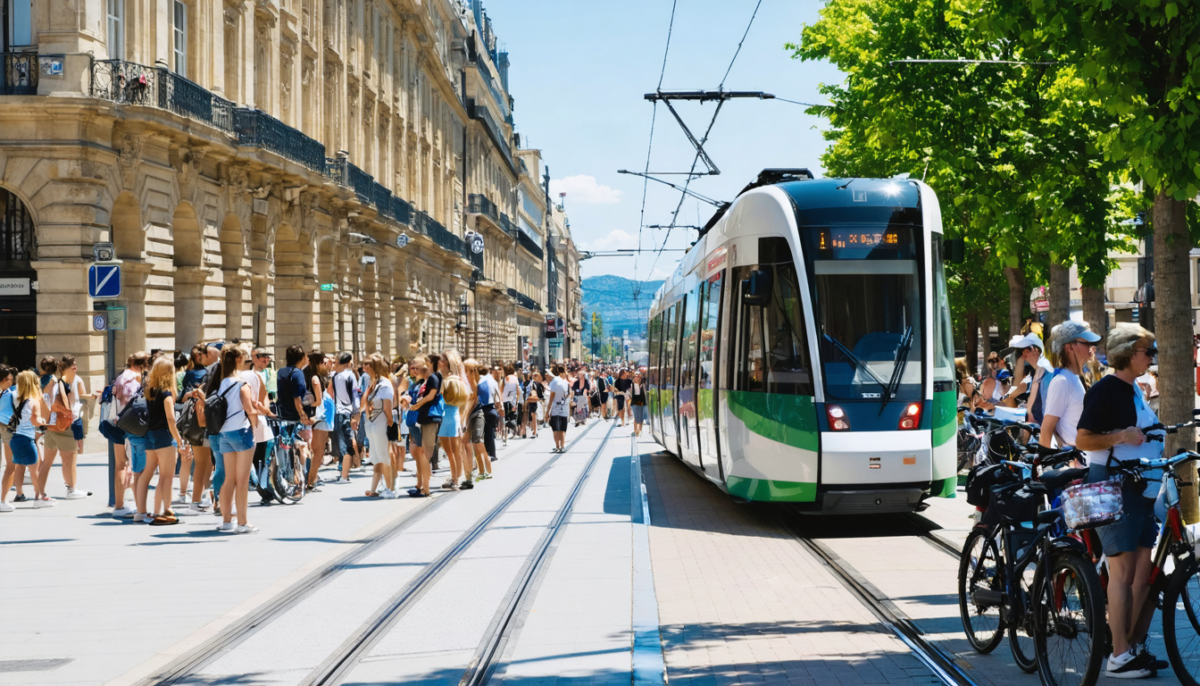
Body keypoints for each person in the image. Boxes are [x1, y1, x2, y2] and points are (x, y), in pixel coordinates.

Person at [1075, 323, 1167, 678]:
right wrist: (1122, 435)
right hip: (1116, 486)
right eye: (1148, 352)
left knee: (1141, 573)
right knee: (1123, 572)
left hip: (1140, 487)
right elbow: (1083, 439)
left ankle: (1131, 645)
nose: (1152, 358)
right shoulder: (1107, 390)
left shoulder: (1133, 390)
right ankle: (1118, 655)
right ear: (1129, 353)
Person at [211, 346, 258, 534]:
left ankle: (226, 520)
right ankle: (243, 522)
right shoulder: (241, 383)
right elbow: (250, 409)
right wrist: (255, 426)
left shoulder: (221, 383)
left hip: (223, 432)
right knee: (243, 480)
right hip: (240, 431)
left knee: (228, 479)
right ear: (239, 360)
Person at [138, 356, 185, 525]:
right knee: (167, 476)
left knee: (151, 473)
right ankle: (166, 510)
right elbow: (171, 420)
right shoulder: (167, 394)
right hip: (163, 435)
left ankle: (151, 511)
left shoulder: (150, 391)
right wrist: (179, 441)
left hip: (150, 435)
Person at [1039, 322, 1101, 452]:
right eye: (1086, 343)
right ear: (1070, 347)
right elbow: (1047, 428)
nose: (1091, 347)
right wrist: (1047, 462)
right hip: (1075, 461)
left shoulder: (1076, 378)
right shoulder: (1062, 381)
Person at [38, 355, 89, 501]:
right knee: (69, 460)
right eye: (73, 366)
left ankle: (39, 494)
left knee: (47, 463)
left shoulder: (45, 382)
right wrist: (69, 412)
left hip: (50, 426)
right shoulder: (59, 382)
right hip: (63, 427)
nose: (75, 368)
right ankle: (72, 490)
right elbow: (55, 404)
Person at [111, 352, 149, 518]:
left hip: (116, 423)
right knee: (135, 467)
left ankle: (119, 506)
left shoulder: (120, 377)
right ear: (142, 365)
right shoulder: (136, 379)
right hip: (131, 426)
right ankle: (139, 507)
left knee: (120, 464)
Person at [4, 371, 46, 507]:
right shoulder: (34, 402)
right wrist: (44, 421)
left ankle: (19, 494)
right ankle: (39, 496)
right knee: (35, 469)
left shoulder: (15, 399)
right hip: (27, 438)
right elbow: (36, 421)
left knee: (19, 466)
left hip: (14, 438)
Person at [361, 354, 397, 498]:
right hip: (372, 424)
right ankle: (375, 488)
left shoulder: (385, 384)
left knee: (383, 455)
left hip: (381, 422)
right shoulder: (374, 383)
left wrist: (390, 422)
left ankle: (391, 488)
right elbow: (364, 403)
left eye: (367, 364)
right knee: (376, 457)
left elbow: (387, 406)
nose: (364, 367)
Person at [245, 345, 276, 502]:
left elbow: (266, 397)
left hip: (260, 419)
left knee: (261, 457)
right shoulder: (251, 375)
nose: (266, 359)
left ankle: (263, 488)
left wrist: (267, 409)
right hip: (251, 418)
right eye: (262, 356)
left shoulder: (269, 373)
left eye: (267, 356)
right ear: (253, 357)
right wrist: (265, 410)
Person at [407, 356, 441, 497]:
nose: (413, 369)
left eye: (415, 367)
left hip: (430, 419)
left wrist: (417, 405)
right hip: (423, 418)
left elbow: (431, 396)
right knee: (421, 454)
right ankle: (420, 486)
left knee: (426, 454)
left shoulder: (433, 378)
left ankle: (425, 489)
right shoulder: (423, 381)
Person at [329, 352, 359, 484]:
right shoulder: (346, 376)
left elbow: (347, 397)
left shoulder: (338, 376)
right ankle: (344, 473)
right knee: (346, 443)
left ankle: (344, 474)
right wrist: (355, 413)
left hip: (340, 413)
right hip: (346, 413)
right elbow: (355, 396)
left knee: (344, 445)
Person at [464, 359, 494, 482]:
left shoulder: (476, 382)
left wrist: (465, 414)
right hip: (470, 414)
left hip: (476, 414)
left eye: (465, 368)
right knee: (473, 443)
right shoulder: (470, 381)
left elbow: (474, 401)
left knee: (478, 442)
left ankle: (488, 469)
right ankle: (481, 471)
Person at [307, 351, 332, 490]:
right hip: (320, 417)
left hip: (320, 416)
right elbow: (318, 401)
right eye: (323, 362)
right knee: (318, 451)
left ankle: (312, 477)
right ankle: (311, 480)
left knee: (317, 450)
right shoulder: (316, 378)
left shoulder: (314, 376)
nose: (325, 365)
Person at [547, 365, 570, 452]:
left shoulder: (554, 383)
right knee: (562, 429)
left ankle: (557, 446)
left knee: (556, 429)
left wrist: (547, 412)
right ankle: (562, 446)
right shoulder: (566, 383)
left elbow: (551, 399)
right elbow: (569, 397)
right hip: (564, 409)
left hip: (555, 409)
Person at [525, 372, 544, 439]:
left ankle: (535, 431)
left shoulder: (534, 384)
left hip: (533, 401)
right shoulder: (533, 384)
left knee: (533, 415)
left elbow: (537, 394)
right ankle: (534, 430)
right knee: (533, 415)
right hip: (533, 401)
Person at [630, 372, 648, 437]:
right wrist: (637, 383)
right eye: (636, 376)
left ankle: (640, 430)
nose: (637, 377)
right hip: (635, 402)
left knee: (641, 418)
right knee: (637, 417)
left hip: (642, 402)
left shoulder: (643, 385)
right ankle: (636, 430)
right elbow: (636, 394)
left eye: (639, 376)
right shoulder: (634, 384)